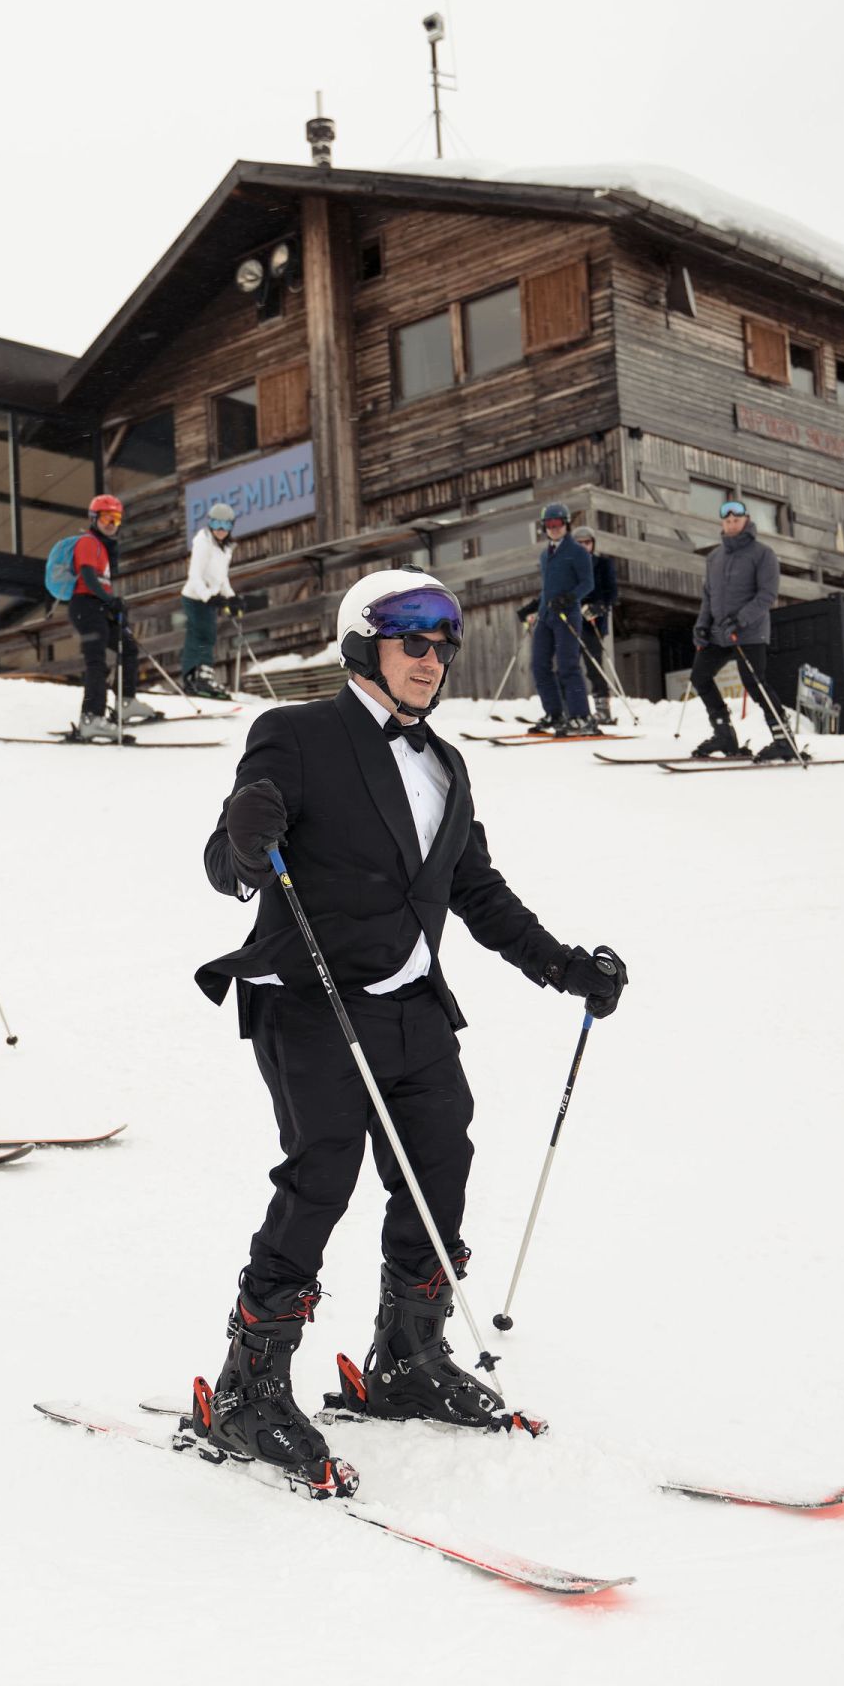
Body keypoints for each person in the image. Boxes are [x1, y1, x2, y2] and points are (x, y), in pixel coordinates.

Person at [191, 567, 628, 1493]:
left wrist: (563, 966)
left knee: (440, 1167)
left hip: (411, 1005)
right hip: (312, 1001)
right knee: (322, 1174)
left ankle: (407, 1358)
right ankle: (249, 1387)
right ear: (365, 646)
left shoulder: (446, 764)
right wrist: (245, 831)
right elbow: (231, 859)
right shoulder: (297, 733)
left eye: (443, 645)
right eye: (413, 642)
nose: (432, 661)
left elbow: (475, 891)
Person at [689, 500, 786, 761]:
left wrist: (740, 620)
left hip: (750, 631)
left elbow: (767, 595)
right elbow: (709, 596)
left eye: (736, 519)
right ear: (723, 523)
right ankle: (724, 736)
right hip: (718, 632)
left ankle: (783, 740)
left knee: (755, 685)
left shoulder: (763, 553)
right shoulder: (714, 557)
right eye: (727, 520)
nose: (732, 523)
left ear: (746, 520)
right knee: (700, 677)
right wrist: (702, 626)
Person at [68, 492, 159, 742]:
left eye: (116, 519)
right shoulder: (87, 542)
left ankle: (126, 702)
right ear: (94, 518)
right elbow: (88, 578)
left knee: (129, 647)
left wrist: (113, 605)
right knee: (96, 662)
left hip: (99, 607)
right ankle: (91, 717)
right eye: (106, 518)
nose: (111, 524)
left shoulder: (105, 548)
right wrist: (110, 601)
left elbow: (102, 584)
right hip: (84, 606)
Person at [524, 500, 595, 734]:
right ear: (544, 527)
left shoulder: (577, 552)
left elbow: (587, 583)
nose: (553, 528)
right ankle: (555, 714)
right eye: (549, 524)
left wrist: (569, 598)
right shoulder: (545, 555)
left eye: (557, 523)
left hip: (567, 614)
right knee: (539, 665)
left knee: (567, 665)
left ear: (566, 525)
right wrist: (535, 610)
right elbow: (547, 588)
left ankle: (581, 717)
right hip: (546, 616)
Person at [179, 500, 238, 697]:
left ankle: (204, 676)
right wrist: (208, 596)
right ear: (209, 524)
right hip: (195, 597)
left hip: (208, 598)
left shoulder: (225, 548)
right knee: (202, 634)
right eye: (216, 525)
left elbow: (222, 578)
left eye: (226, 525)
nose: (221, 530)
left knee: (208, 634)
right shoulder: (203, 543)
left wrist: (232, 598)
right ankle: (195, 677)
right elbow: (194, 575)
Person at [576, 528, 619, 723]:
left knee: (593, 666)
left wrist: (598, 607)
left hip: (592, 623)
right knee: (568, 667)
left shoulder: (602, 564)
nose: (584, 546)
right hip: (571, 622)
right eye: (580, 543)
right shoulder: (570, 567)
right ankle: (572, 708)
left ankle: (603, 710)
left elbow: (611, 593)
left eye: (587, 542)